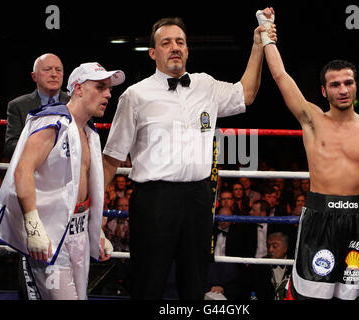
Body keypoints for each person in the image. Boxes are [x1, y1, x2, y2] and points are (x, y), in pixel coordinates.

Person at [102, 16, 272, 300]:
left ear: (188, 50)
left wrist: (257, 45)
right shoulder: (135, 95)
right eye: (166, 43)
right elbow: (112, 157)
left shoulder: (206, 85)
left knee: (194, 280)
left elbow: (248, 93)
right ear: (153, 53)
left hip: (198, 196)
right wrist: (92, 211)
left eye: (180, 42)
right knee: (149, 279)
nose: (175, 47)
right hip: (153, 198)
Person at [257, 7, 359, 300]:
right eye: (335, 84)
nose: (343, 89)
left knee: (352, 295)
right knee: (311, 294)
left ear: (355, 86)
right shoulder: (311, 120)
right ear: (324, 91)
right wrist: (266, 33)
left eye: (348, 82)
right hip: (318, 216)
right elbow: (280, 75)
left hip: (357, 218)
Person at [0, 62, 125, 299]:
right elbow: (22, 171)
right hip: (50, 233)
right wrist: (33, 226)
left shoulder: (89, 132)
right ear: (79, 89)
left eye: (109, 88)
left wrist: (96, 231)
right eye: (100, 87)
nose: (108, 94)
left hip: (79, 232)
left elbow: (84, 187)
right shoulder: (52, 122)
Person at [4, 53, 70, 159]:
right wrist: (41, 148)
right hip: (33, 169)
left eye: (58, 70)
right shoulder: (18, 106)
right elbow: (10, 148)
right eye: (47, 69)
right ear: (34, 76)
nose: (54, 74)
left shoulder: (76, 103)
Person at [210, 232, 291, 300]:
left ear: (285, 248)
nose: (270, 250)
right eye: (268, 246)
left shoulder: (294, 266)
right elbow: (240, 284)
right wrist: (223, 289)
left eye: (275, 246)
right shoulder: (258, 265)